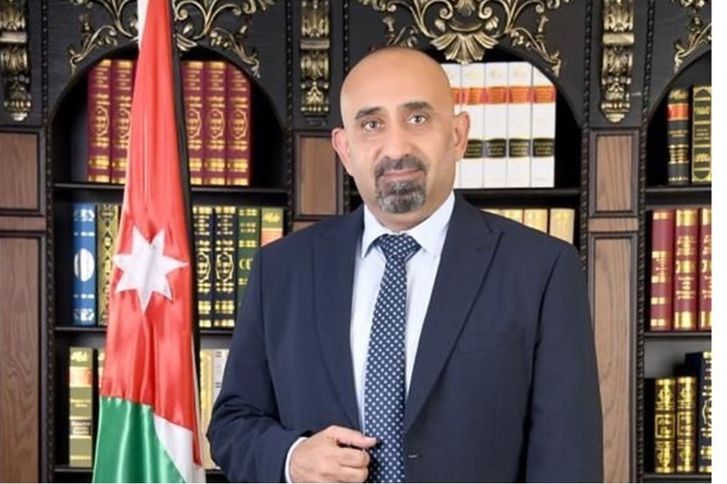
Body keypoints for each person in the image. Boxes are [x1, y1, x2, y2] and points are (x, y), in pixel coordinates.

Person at [208, 46, 603, 483]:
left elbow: (569, 462)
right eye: (371, 124)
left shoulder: (542, 270)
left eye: (417, 118)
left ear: (458, 135)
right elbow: (231, 423)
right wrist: (291, 457)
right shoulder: (281, 270)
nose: (396, 147)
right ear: (345, 149)